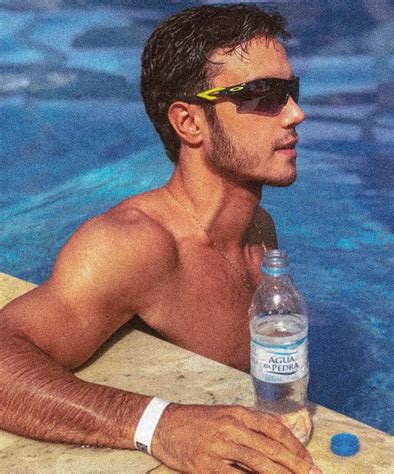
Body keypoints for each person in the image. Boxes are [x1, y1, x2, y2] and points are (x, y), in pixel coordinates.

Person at [0, 4, 320, 473]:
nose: (296, 113)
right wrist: (160, 425)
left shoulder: (258, 232)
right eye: (262, 95)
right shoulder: (133, 244)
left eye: (290, 91)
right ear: (189, 122)